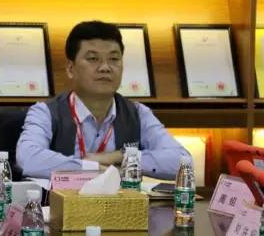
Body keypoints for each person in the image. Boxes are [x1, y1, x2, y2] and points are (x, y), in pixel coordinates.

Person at [16, 21, 190, 180]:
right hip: (62, 204)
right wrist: (90, 168)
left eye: (114, 59)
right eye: (93, 59)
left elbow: (183, 161)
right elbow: (28, 158)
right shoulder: (45, 112)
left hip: (122, 204)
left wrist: (121, 156)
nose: (105, 67)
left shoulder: (138, 113)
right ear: (70, 68)